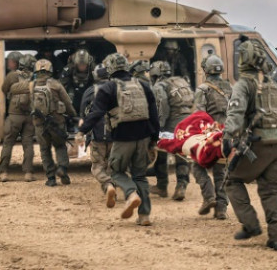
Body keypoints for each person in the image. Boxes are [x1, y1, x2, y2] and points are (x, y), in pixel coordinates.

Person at [222, 37, 277, 251]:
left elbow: (235, 113)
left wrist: (227, 138)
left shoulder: (244, 85)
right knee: (270, 191)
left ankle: (251, 225)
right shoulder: (273, 85)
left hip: (258, 143)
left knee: (231, 181)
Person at [80, 53, 160, 226]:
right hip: (144, 136)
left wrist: (82, 130)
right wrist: (154, 139)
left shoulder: (108, 88)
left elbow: (96, 113)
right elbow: (154, 115)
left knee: (116, 171)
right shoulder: (143, 85)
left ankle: (131, 194)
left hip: (123, 137)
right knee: (140, 176)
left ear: (109, 69)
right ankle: (144, 215)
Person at [192, 53, 232, 219]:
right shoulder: (230, 88)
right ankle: (221, 208)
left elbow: (199, 114)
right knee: (220, 170)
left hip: (210, 133)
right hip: (226, 133)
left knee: (197, 166)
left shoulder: (203, 89)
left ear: (206, 70)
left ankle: (209, 197)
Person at [150, 60, 194, 201]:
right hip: (187, 121)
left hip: (172, 122)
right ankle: (181, 186)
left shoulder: (159, 86)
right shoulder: (180, 81)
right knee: (181, 154)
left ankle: (162, 186)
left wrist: (160, 126)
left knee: (161, 153)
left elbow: (162, 106)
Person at [30, 58, 77, 187]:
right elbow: (67, 102)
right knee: (60, 146)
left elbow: (30, 104)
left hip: (40, 124)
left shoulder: (32, 85)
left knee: (45, 150)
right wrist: (73, 115)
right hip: (57, 123)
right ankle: (62, 169)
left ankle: (50, 178)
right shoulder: (56, 85)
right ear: (50, 70)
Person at [79, 64, 115, 200]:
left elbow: (83, 113)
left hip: (97, 134)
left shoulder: (90, 91)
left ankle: (107, 185)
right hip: (115, 134)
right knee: (113, 165)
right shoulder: (116, 89)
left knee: (97, 166)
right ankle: (113, 187)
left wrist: (82, 131)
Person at [0, 54, 36, 182]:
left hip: (14, 115)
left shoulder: (12, 75)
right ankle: (28, 173)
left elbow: (3, 89)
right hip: (29, 116)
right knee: (28, 144)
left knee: (8, 143)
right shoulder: (35, 78)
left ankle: (4, 173)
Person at [60, 48, 94, 131]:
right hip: (73, 91)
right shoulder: (68, 69)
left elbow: (99, 83)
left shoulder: (93, 68)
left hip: (88, 90)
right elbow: (62, 86)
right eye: (80, 65)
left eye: (84, 65)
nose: (82, 67)